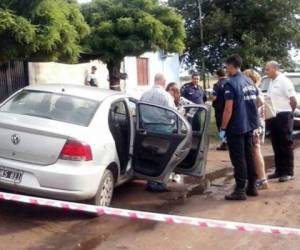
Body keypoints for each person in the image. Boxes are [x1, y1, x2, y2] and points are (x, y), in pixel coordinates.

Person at [220, 55, 261, 200]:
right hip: (249, 125)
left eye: (226, 67)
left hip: (236, 126)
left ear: (231, 66)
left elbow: (228, 109)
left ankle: (240, 190)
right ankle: (252, 186)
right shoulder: (249, 80)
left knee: (239, 159)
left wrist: (223, 128)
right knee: (249, 156)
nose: (225, 69)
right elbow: (257, 102)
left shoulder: (230, 83)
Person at [140, 73, 175, 192]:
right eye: (165, 81)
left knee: (150, 155)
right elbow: (172, 114)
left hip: (148, 129)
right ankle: (160, 184)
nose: (165, 83)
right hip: (164, 130)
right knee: (163, 157)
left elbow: (141, 111)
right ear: (162, 81)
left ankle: (150, 182)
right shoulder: (166, 95)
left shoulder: (144, 94)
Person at [265, 61, 297, 182]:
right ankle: (279, 170)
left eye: (267, 69)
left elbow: (293, 100)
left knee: (285, 144)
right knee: (276, 144)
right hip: (274, 116)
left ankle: (288, 172)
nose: (266, 71)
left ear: (274, 69)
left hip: (284, 115)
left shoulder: (284, 81)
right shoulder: (271, 82)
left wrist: (289, 113)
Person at [243, 69, 269, 189]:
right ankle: (258, 178)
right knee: (254, 151)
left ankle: (262, 179)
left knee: (255, 151)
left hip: (255, 125)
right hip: (258, 124)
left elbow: (260, 102)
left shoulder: (253, 89)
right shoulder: (255, 89)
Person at [211, 69, 227, 151]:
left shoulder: (217, 85)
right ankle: (230, 143)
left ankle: (224, 143)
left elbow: (214, 97)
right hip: (229, 108)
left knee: (221, 127)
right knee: (228, 126)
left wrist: (209, 98)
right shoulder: (229, 83)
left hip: (220, 109)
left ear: (217, 75)